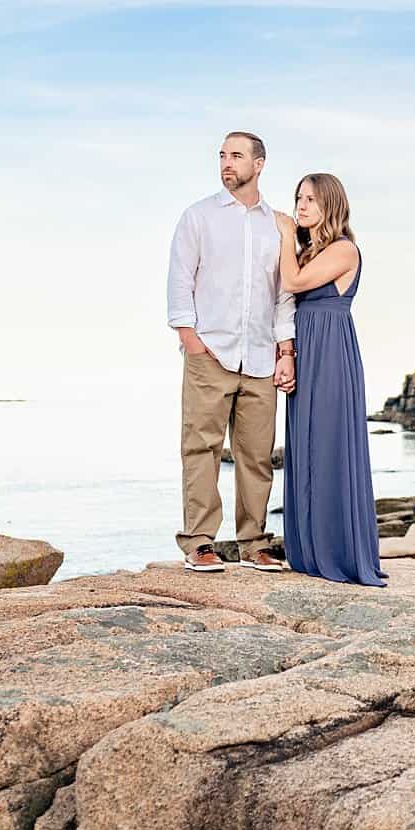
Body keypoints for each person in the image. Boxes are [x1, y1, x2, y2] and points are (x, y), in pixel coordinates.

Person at [165, 131, 296, 573]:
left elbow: (282, 294)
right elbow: (180, 280)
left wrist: (285, 349)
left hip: (260, 356)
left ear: (259, 164)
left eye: (236, 156)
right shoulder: (198, 217)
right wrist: (190, 339)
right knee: (200, 447)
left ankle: (254, 542)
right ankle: (199, 542)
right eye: (222, 155)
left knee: (257, 454)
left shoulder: (276, 226)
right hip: (210, 354)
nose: (226, 163)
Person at [272, 173, 387, 587]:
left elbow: (295, 283)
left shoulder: (343, 249)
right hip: (308, 351)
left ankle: (338, 552)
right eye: (299, 199)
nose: (301, 207)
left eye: (311, 201)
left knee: (330, 444)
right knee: (305, 446)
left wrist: (285, 233)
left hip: (332, 355)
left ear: (331, 206)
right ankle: (310, 551)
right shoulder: (309, 250)